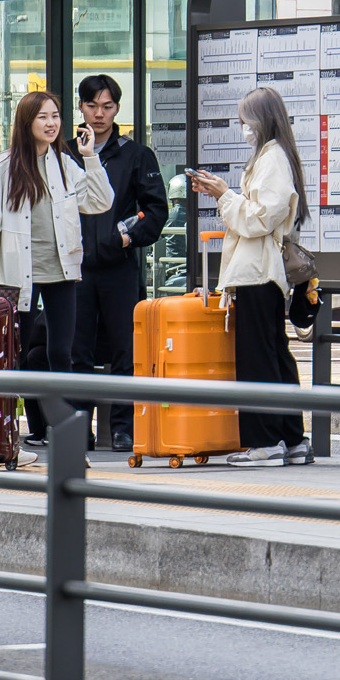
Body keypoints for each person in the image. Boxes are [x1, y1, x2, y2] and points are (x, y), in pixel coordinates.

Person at [0, 91, 112, 446]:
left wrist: (90, 158)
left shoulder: (64, 163)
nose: (52, 123)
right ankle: (24, 428)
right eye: (43, 117)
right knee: (17, 354)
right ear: (26, 123)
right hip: (16, 273)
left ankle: (68, 428)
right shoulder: (6, 164)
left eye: (56, 116)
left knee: (63, 353)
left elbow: (100, 202)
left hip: (61, 269)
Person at [187, 87, 312, 467]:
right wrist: (224, 193)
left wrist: (225, 194)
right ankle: (291, 439)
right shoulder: (275, 155)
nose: (243, 128)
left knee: (258, 357)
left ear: (262, 120)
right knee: (274, 353)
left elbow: (260, 217)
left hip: (258, 271)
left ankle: (266, 441)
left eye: (246, 121)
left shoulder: (272, 158)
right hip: (264, 272)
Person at [71, 75, 169, 453]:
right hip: (74, 268)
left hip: (119, 267)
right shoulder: (65, 152)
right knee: (75, 352)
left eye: (107, 107)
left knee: (125, 351)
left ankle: (124, 428)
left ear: (118, 109)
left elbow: (156, 210)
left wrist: (127, 234)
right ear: (80, 107)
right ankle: (79, 428)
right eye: (92, 106)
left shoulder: (135, 154)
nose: (99, 114)